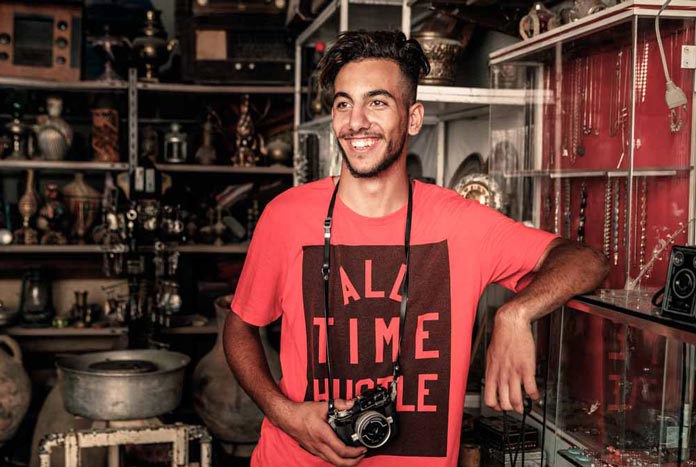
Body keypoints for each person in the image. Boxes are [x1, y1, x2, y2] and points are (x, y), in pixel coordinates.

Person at [224, 30, 609, 467]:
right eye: (343, 103)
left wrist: (516, 313)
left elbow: (586, 260)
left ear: (412, 118)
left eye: (377, 102)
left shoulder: (460, 222)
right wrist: (286, 415)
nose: (356, 122)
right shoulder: (286, 215)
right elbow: (239, 328)